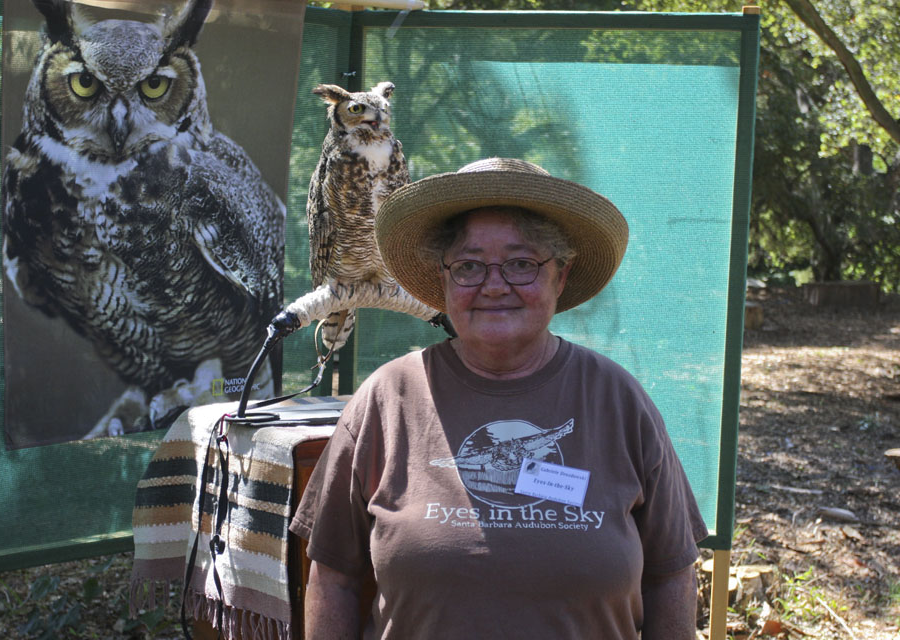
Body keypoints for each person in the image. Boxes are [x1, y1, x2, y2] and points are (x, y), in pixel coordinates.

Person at [288, 158, 707, 639]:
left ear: (561, 276)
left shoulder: (619, 401)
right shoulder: (387, 399)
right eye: (468, 265)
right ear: (443, 278)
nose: (493, 284)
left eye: (521, 263)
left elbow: (671, 575)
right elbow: (333, 576)